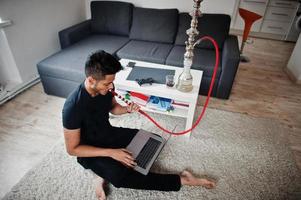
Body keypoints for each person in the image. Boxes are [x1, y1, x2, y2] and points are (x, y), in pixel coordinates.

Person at [62, 50, 216, 200]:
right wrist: (111, 153)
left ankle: (102, 173)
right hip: (89, 150)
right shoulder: (73, 107)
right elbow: (72, 149)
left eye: (112, 82)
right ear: (90, 80)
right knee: (120, 177)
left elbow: (113, 108)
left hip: (108, 134)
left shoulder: (108, 88)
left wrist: (126, 109)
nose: (111, 87)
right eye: (107, 83)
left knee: (153, 140)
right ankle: (182, 179)